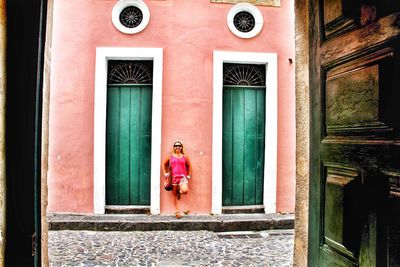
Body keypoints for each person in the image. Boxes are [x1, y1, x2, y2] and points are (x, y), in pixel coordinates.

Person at [162, 140, 192, 219]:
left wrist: (189, 175)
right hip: (174, 178)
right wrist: (165, 173)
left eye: (179, 145)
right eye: (176, 145)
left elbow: (189, 166)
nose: (177, 147)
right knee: (174, 195)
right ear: (174, 147)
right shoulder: (170, 156)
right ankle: (177, 211)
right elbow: (164, 164)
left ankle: (180, 191)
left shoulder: (185, 157)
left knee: (185, 191)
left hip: (183, 178)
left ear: (181, 147)